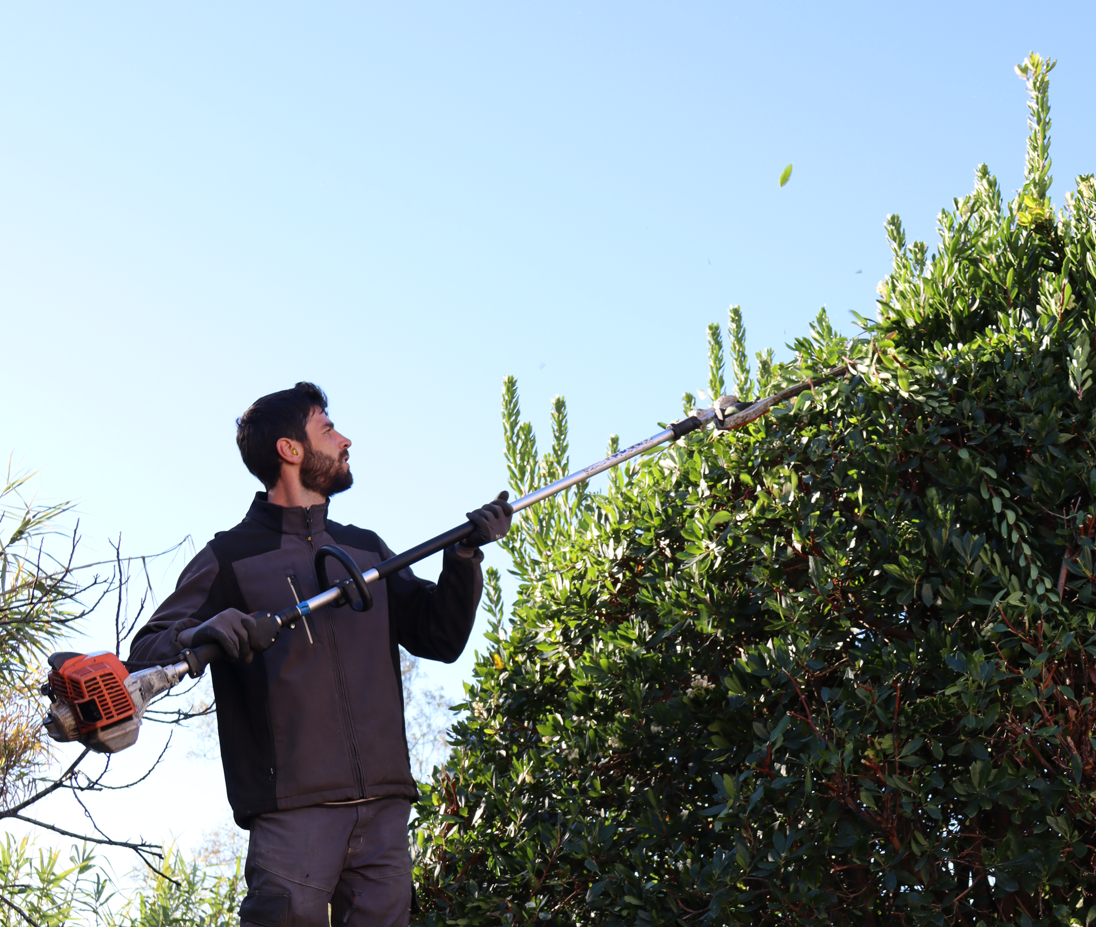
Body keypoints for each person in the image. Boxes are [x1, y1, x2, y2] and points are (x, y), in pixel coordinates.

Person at [129, 382, 512, 927]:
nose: (345, 440)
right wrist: (203, 630)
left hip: (384, 813)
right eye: (328, 430)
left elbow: (439, 637)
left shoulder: (367, 550)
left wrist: (464, 558)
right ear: (290, 450)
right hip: (293, 818)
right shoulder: (231, 557)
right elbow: (145, 650)